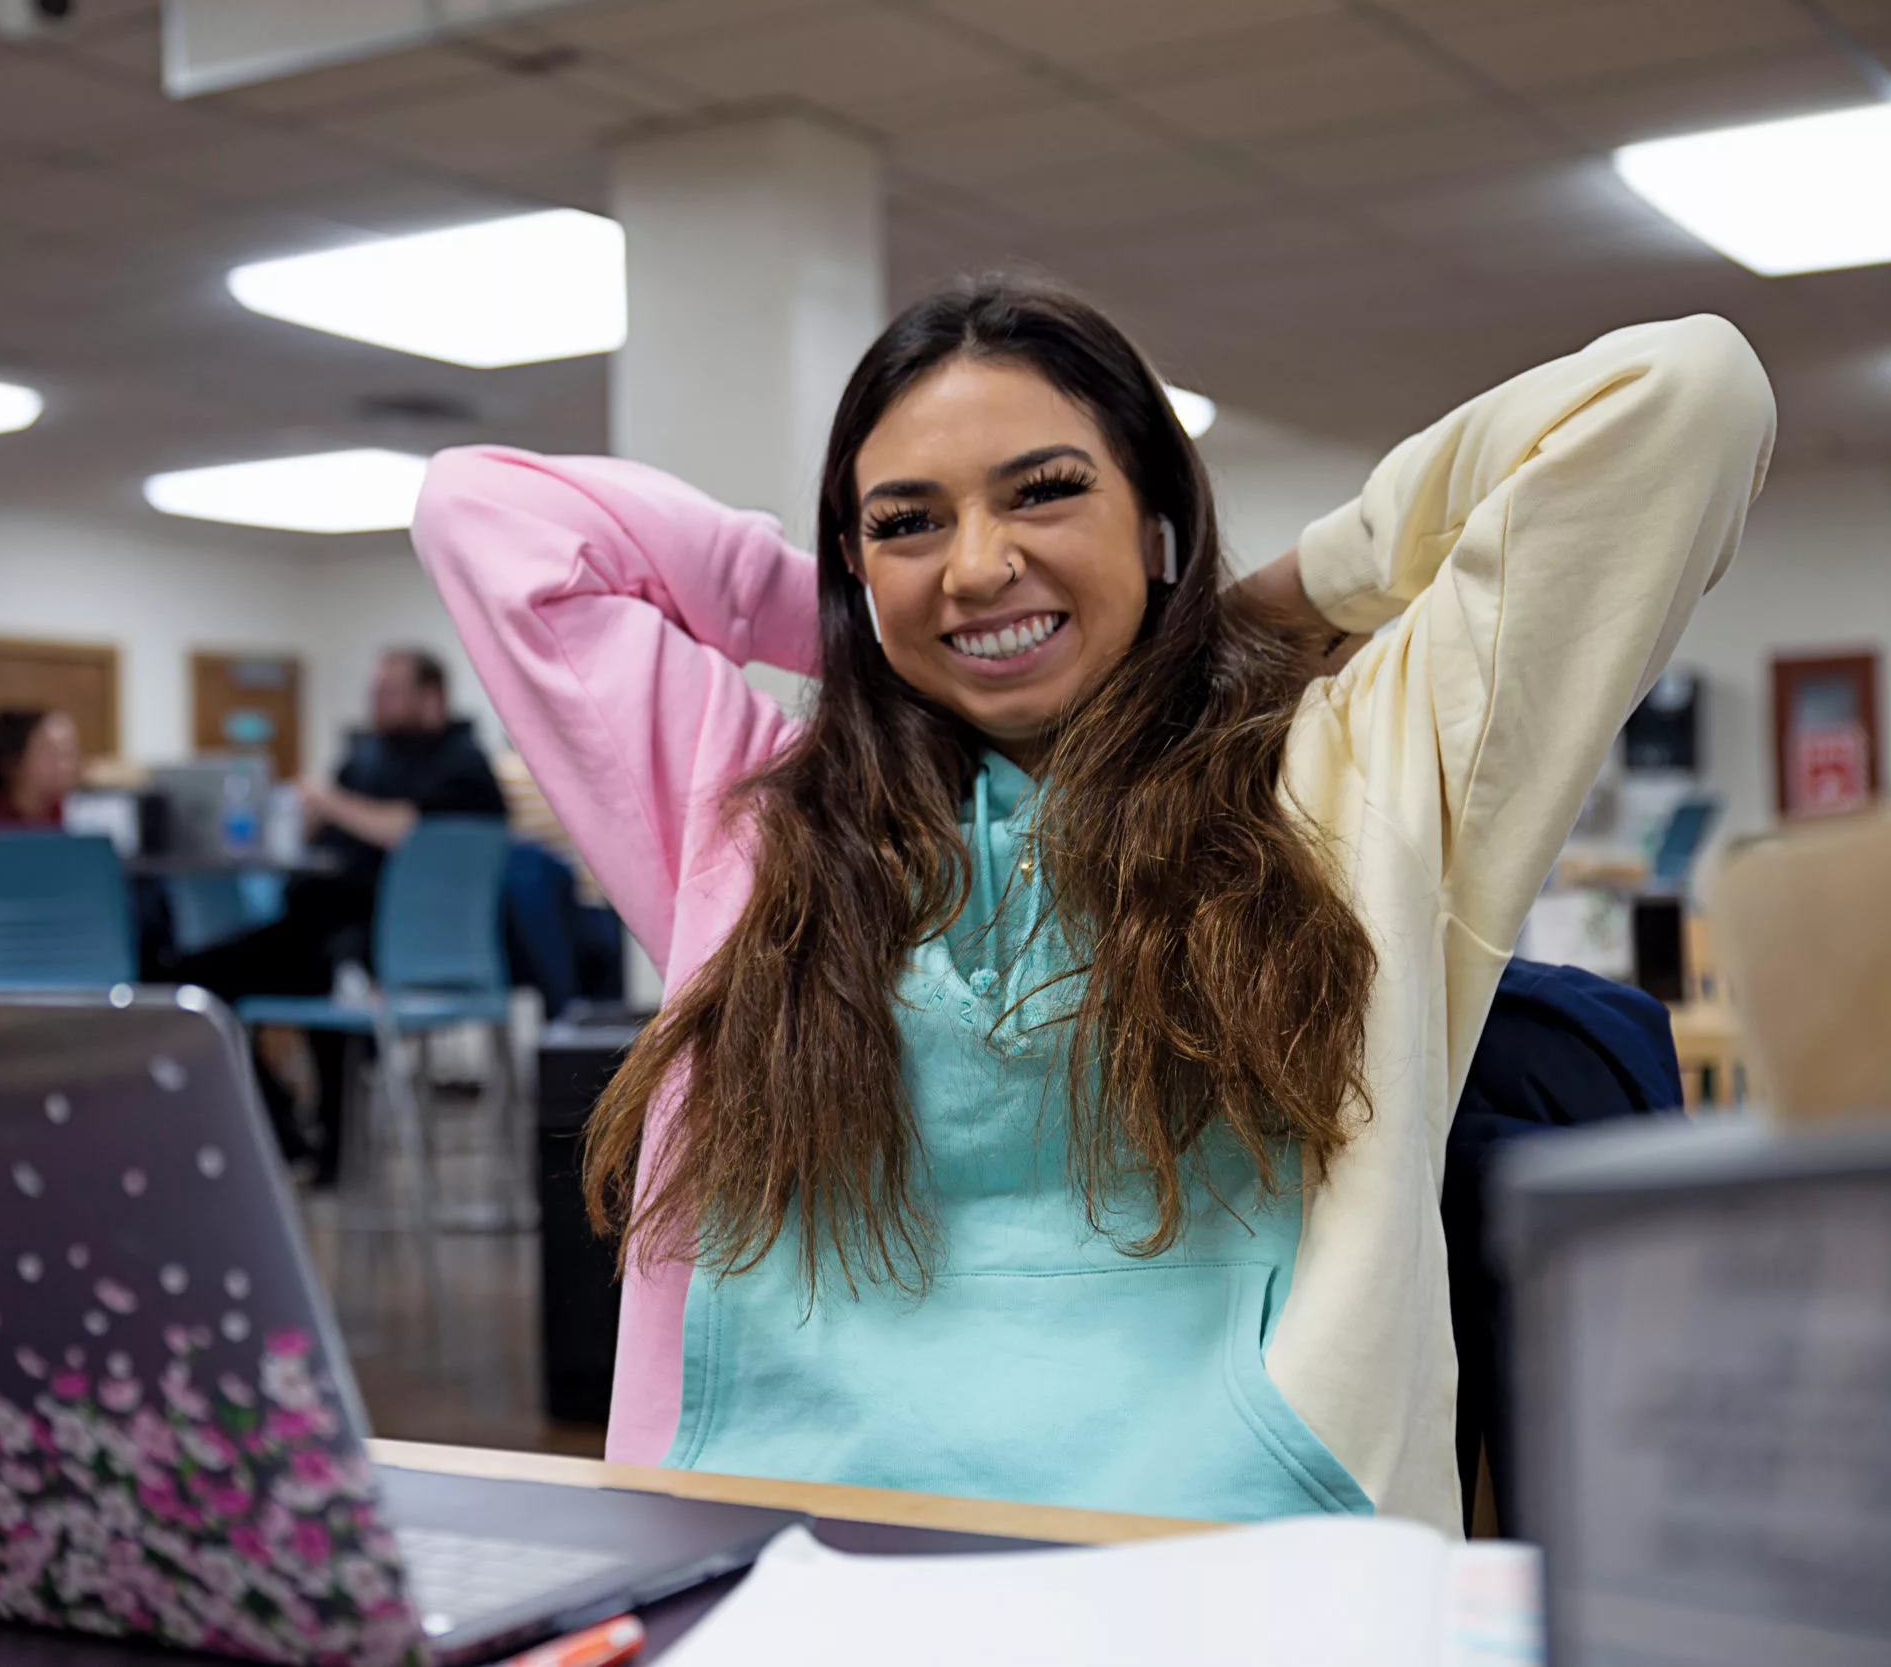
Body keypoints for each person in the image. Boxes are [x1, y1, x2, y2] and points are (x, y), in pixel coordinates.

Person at [412, 276, 1771, 1530]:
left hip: (1222, 1568)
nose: (980, 563)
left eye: (1044, 492)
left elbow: (1682, 400)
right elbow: (484, 511)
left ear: (1155, 513)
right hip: (771, 1555)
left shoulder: (1356, 777)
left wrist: (1272, 603)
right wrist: (851, 613)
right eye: (910, 518)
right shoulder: (756, 819)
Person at [164, 648, 507, 1179]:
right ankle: (283, 1132)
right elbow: (315, 833)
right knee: (193, 982)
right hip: (317, 922)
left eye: (390, 691)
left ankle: (333, 1146)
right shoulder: (365, 757)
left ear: (430, 697)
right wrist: (302, 814)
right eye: (375, 692)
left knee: (330, 971)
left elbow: (407, 833)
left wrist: (331, 801)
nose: (378, 704)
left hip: (392, 940)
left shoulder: (463, 764)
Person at [0, 708, 81, 832]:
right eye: (51, 754)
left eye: (69, 753)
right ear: (12, 763)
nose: (66, 765)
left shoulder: (76, 820)